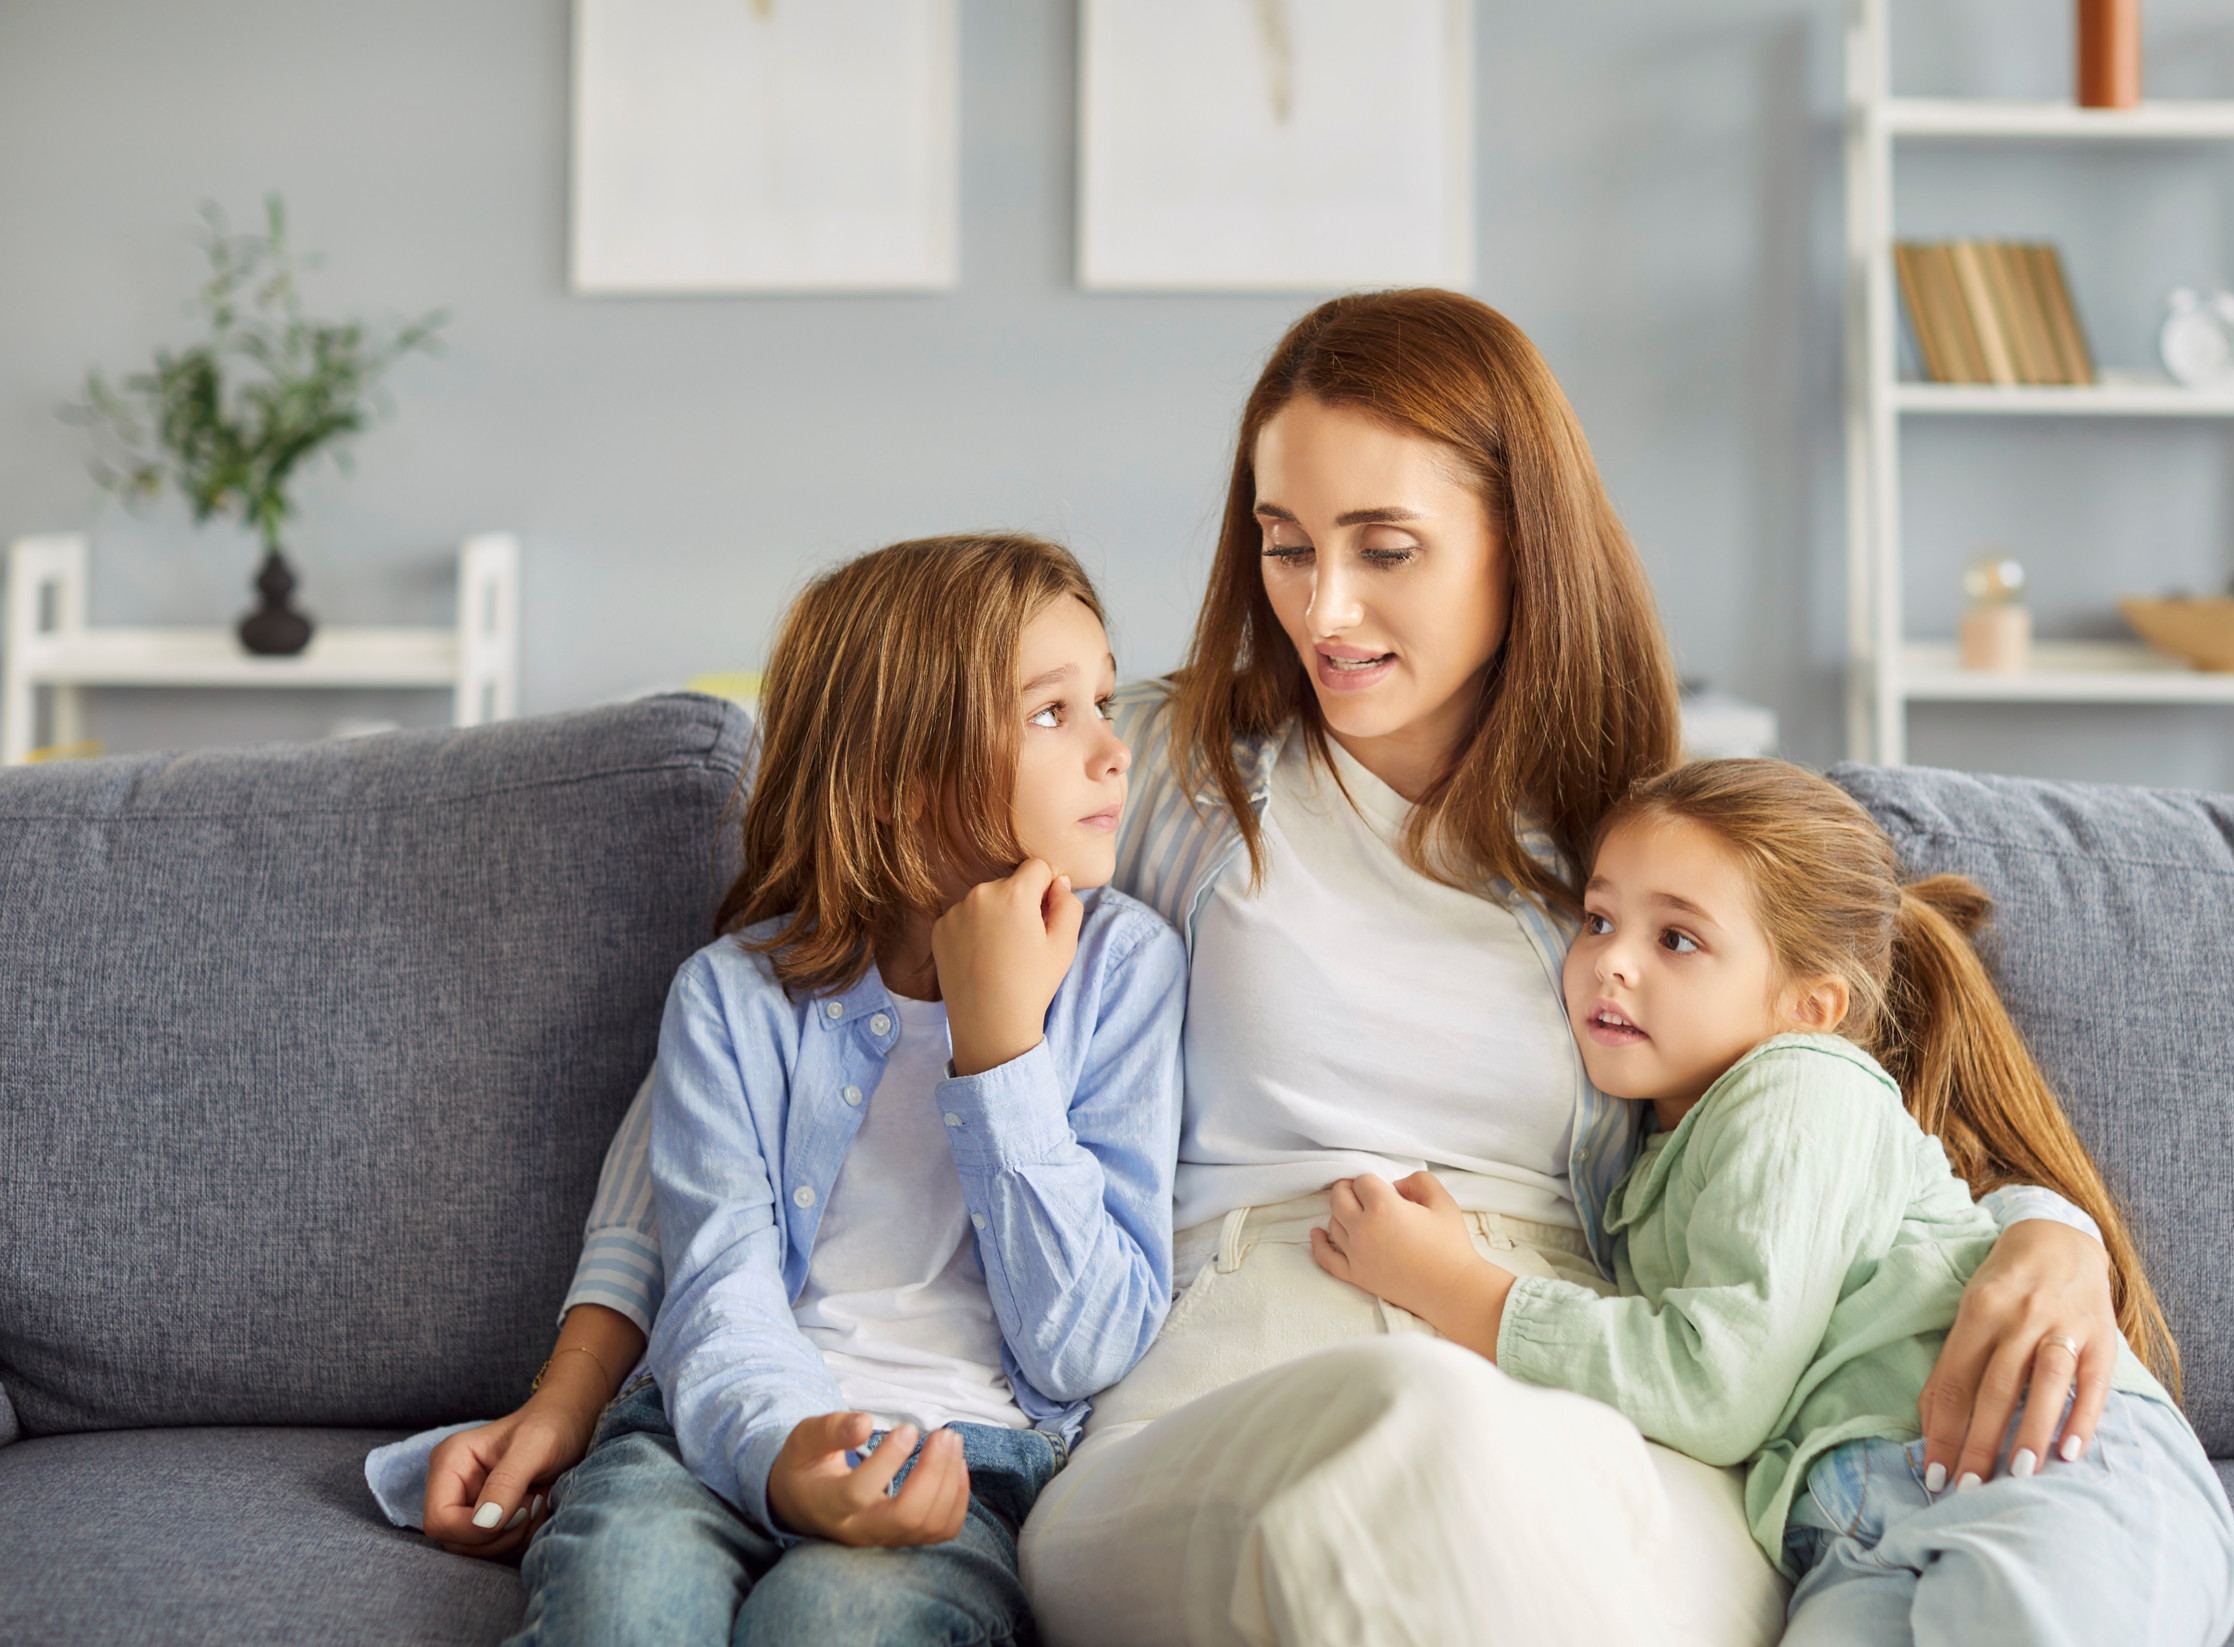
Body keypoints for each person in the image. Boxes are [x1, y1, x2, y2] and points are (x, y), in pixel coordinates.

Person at [425, 291, 2125, 1647]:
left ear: (1517, 539)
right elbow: (786, 1015)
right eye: (1283, 539)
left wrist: (2048, 1240)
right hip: (1226, 1376)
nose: (1323, 606)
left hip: (1549, 1365)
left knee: (1522, 1490)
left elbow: (1833, 1100)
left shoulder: (1631, 842)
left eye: (1386, 544)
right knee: (1410, 1431)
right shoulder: (1168, 767)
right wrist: (576, 1382)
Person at [1313, 757, 2234, 1646]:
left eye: (1675, 938)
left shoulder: (1800, 1086)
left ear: (1812, 1005)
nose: (1612, 963)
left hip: (2043, 1464)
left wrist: (1459, 1287)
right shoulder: (1648, 1162)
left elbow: (1716, 1385)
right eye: (1598, 919)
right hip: (1851, 1525)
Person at [493, 533, 1185, 1647]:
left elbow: (1087, 1346)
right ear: (904, 777)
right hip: (709, 1431)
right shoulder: (733, 996)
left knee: (835, 1623)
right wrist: (786, 1454)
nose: (1114, 751)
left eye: (1103, 701)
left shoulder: (1125, 972)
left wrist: (1000, 1046)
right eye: (1053, 713)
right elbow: (717, 1287)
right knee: (623, 1608)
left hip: (965, 1453)